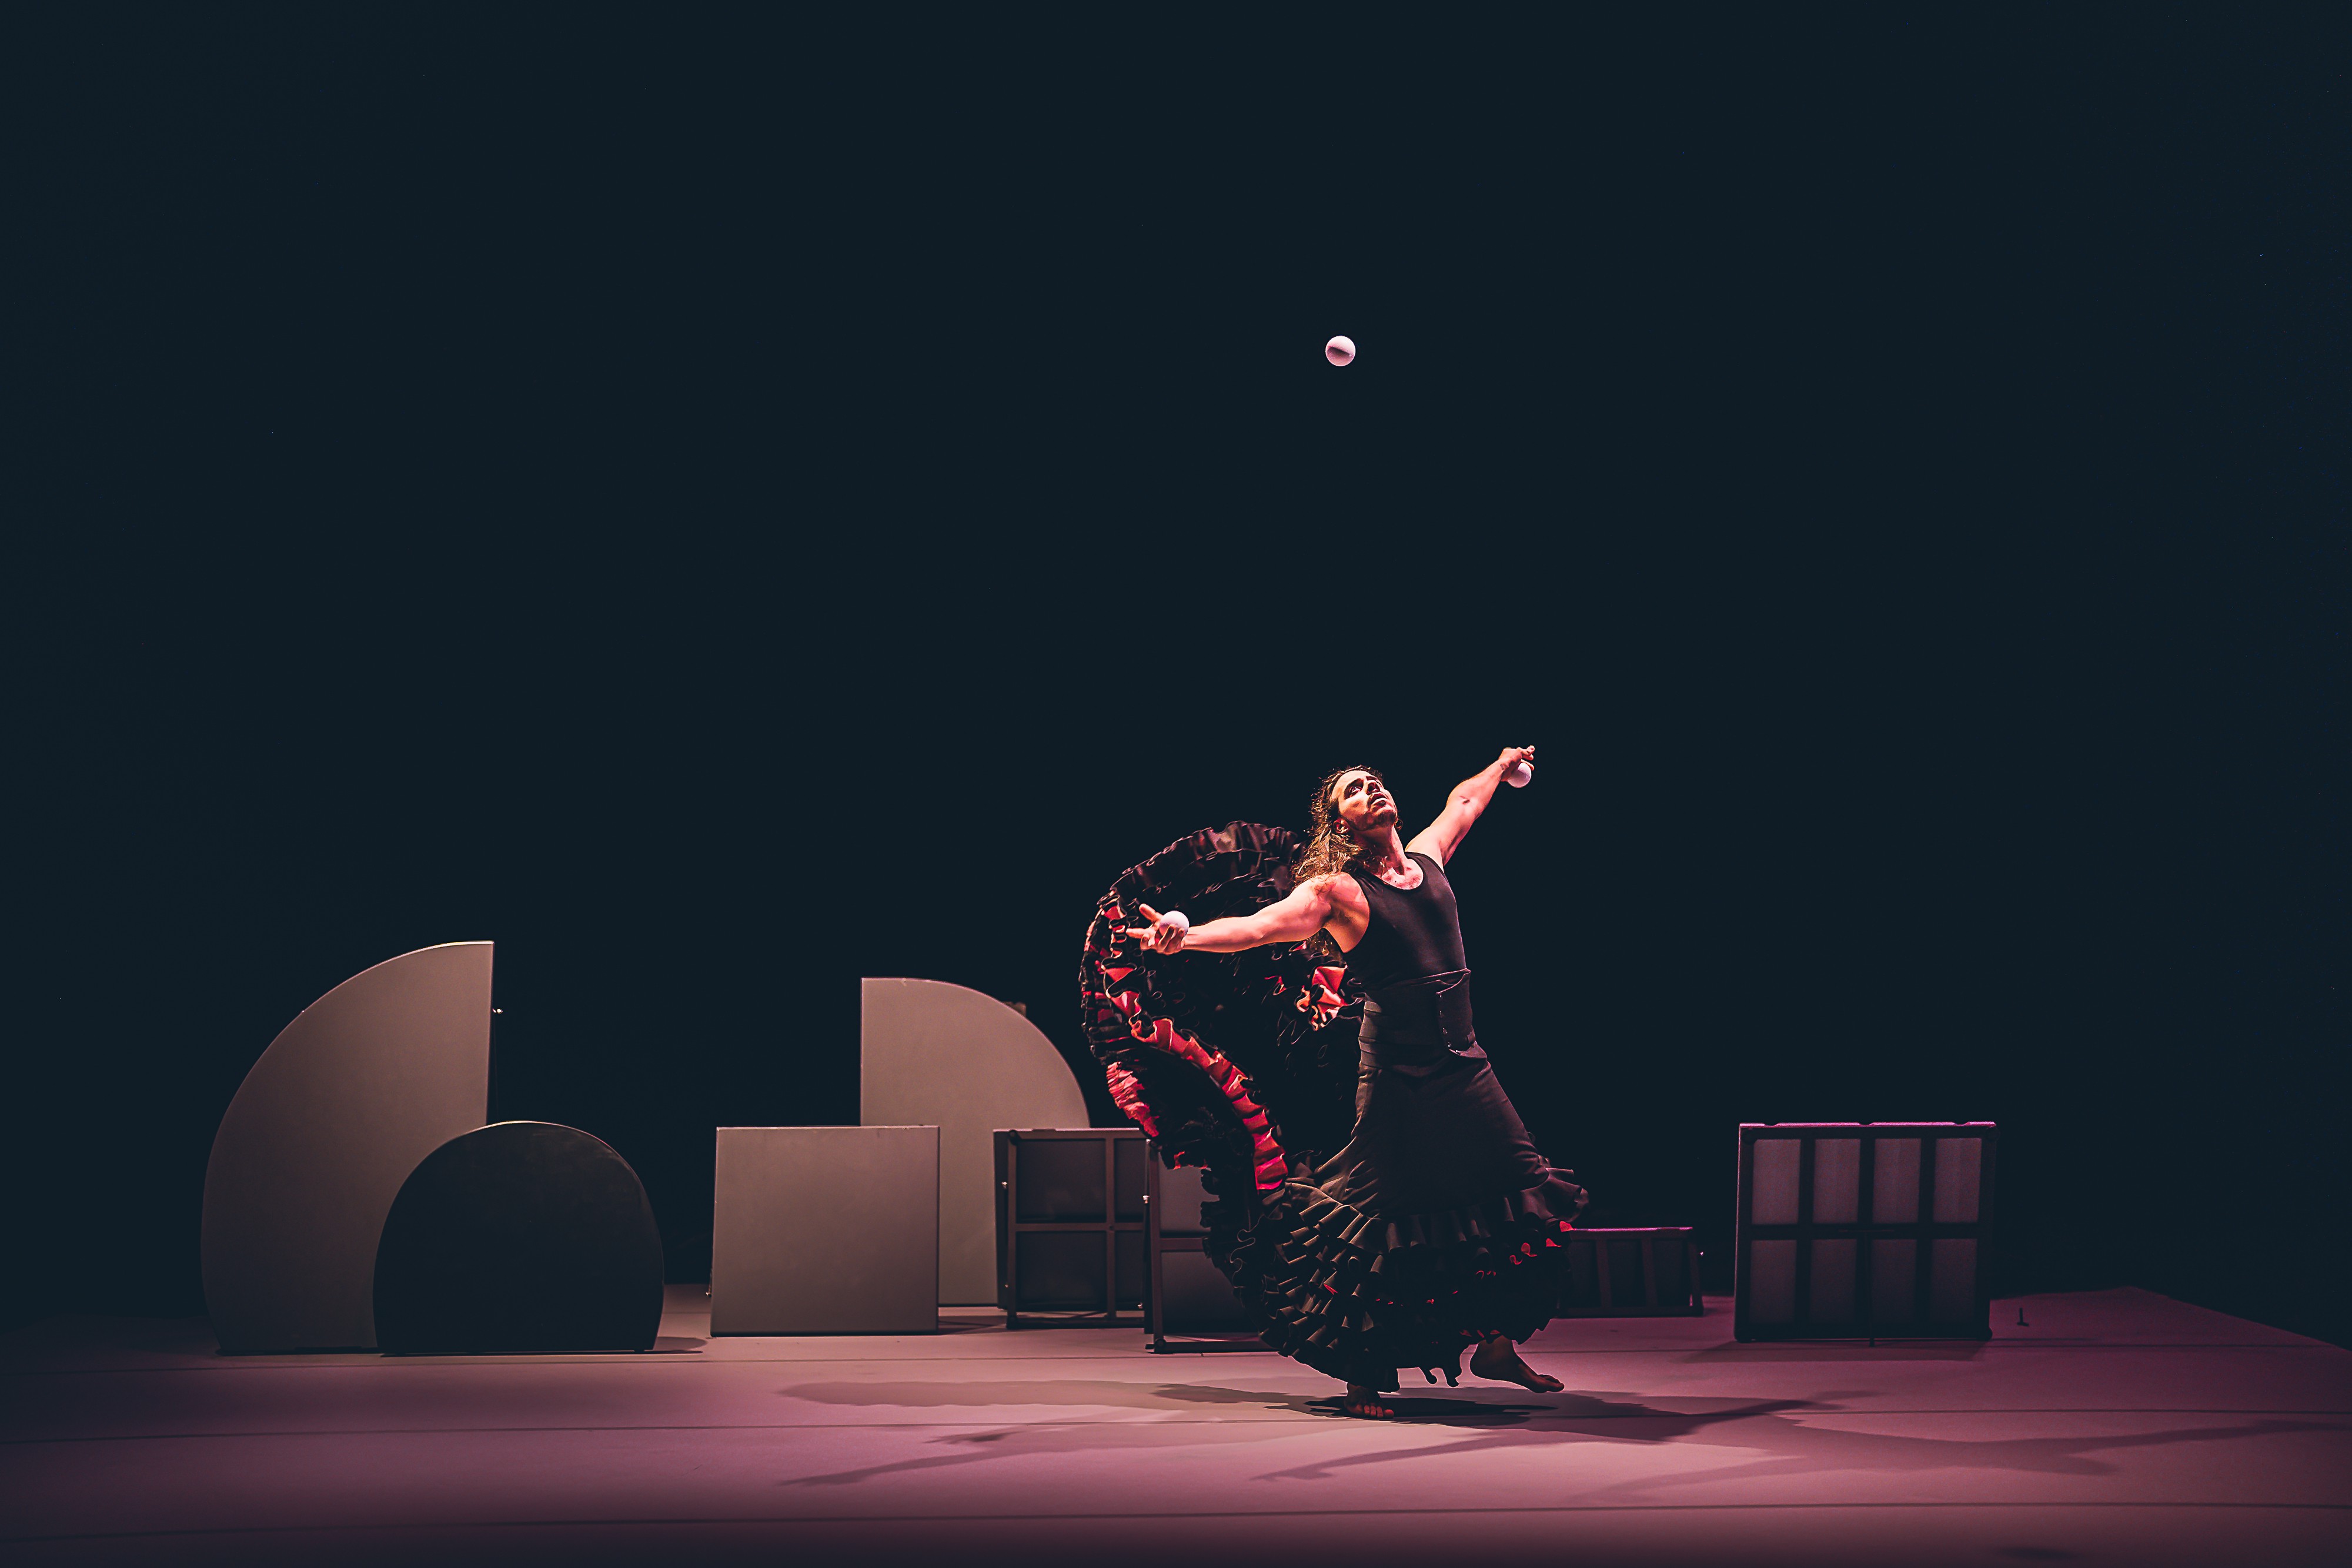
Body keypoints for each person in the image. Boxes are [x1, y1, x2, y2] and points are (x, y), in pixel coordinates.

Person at [1121, 747, 1586, 1419]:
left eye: (1375, 782)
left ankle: (1494, 1344)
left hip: (1464, 1061)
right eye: (1354, 790)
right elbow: (1256, 929)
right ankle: (1361, 1373)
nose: (1372, 790)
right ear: (1340, 823)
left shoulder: (1427, 859)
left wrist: (1500, 762)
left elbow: (1464, 802)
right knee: (1376, 1216)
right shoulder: (1335, 891)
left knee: (1514, 1188)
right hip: (1400, 1072)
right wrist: (1184, 934)